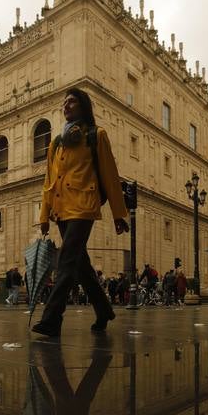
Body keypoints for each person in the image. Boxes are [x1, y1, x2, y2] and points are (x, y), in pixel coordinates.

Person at [32, 87, 129, 337]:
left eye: (72, 102)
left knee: (66, 260)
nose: (66, 106)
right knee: (81, 265)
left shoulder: (96, 135)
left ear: (83, 106)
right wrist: (44, 216)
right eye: (64, 102)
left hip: (84, 206)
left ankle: (52, 319)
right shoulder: (56, 143)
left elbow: (110, 174)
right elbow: (48, 181)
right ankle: (103, 309)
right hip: (62, 208)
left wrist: (119, 213)